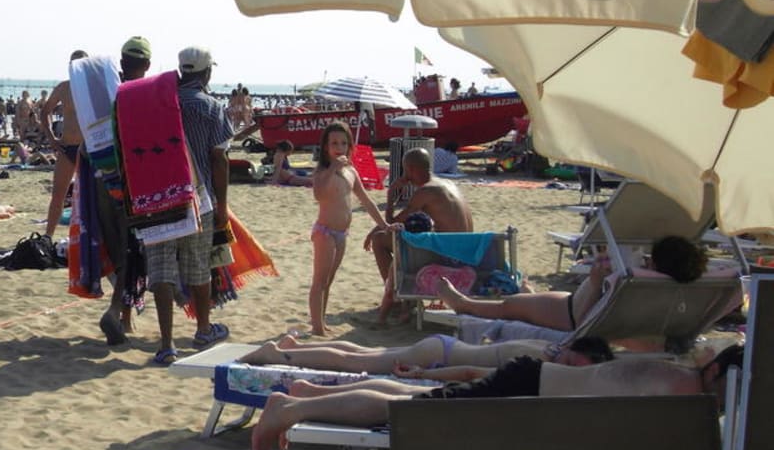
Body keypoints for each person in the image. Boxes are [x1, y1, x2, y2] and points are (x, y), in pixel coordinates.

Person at [250, 344, 744, 450]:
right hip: (526, 391)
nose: (728, 403)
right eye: (730, 389)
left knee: (418, 399)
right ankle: (288, 410)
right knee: (407, 411)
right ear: (717, 373)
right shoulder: (687, 394)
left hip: (532, 387)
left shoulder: (683, 376)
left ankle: (308, 398)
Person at [145, 46, 234, 365]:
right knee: (198, 265)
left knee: (162, 270)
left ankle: (166, 344)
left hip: (156, 199)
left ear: (182, 71)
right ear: (207, 73)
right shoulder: (212, 107)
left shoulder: (156, 104)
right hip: (199, 200)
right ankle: (203, 329)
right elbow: (219, 159)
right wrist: (223, 205)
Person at [435, 235, 711, 332]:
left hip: (569, 312)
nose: (646, 260)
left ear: (657, 264)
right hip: (567, 304)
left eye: (651, 258)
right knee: (526, 300)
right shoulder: (673, 291)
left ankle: (464, 304)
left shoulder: (635, 283)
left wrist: (594, 281)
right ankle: (529, 294)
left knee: (509, 306)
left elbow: (583, 321)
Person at [365, 147, 474, 322]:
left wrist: (392, 191)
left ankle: (396, 298)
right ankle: (400, 298)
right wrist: (376, 228)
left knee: (379, 241)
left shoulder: (425, 192)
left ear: (410, 169)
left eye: (405, 170)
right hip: (466, 252)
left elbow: (392, 224)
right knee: (390, 235)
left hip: (447, 256)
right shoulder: (447, 184)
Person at [94, 35, 153, 344]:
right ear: (146, 64)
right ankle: (118, 311)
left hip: (104, 181)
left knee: (118, 249)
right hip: (131, 184)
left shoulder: (107, 93)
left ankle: (124, 318)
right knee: (134, 250)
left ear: (122, 62)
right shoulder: (142, 94)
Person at [307, 122, 390, 335]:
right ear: (326, 147)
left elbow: (366, 200)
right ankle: (317, 327)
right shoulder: (323, 171)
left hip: (341, 233)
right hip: (324, 231)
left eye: (343, 143)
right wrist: (333, 168)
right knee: (320, 280)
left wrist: (383, 225)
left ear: (349, 146)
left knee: (330, 280)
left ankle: (321, 321)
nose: (339, 147)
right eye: (334, 143)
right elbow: (318, 194)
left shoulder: (351, 171)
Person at [239, 331, 613, 374]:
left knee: (360, 351)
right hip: (439, 356)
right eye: (573, 364)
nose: (570, 369)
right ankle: (276, 356)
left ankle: (295, 347)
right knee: (356, 361)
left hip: (443, 345)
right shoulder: (544, 361)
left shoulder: (551, 345)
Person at [40, 50, 87, 240]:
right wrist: (51, 138)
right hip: (66, 148)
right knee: (57, 196)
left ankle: (89, 238)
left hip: (87, 150)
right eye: (73, 64)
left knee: (89, 197)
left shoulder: (93, 88)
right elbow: (44, 113)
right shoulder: (63, 88)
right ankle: (48, 236)